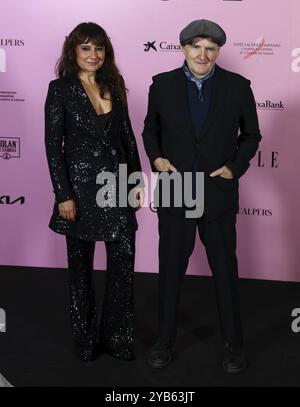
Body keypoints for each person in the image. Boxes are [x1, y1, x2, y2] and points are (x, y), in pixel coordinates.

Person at [142, 19, 261, 373]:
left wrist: (234, 167)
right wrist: (157, 157)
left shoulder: (238, 86)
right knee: (170, 271)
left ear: (218, 52)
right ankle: (164, 340)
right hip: (176, 188)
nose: (203, 54)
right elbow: (151, 129)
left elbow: (251, 135)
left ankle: (234, 346)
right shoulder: (161, 85)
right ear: (184, 48)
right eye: (196, 46)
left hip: (217, 191)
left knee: (225, 270)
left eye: (210, 48)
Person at [45, 22, 144, 362]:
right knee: (81, 269)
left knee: (123, 266)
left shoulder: (114, 85)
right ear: (73, 51)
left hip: (116, 189)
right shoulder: (59, 90)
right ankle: (85, 338)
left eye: (99, 48)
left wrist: (136, 183)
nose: (93, 54)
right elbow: (52, 147)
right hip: (81, 191)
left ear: (106, 52)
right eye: (85, 47)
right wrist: (63, 195)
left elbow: (128, 138)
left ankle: (117, 336)